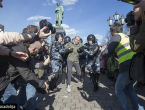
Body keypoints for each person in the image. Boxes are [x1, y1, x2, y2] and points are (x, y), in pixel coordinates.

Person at [101, 22, 144, 110]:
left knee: (118, 89)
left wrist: (103, 50)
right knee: (129, 87)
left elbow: (106, 53)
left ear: (113, 31)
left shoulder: (116, 37)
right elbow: (119, 53)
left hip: (126, 65)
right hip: (134, 64)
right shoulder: (126, 37)